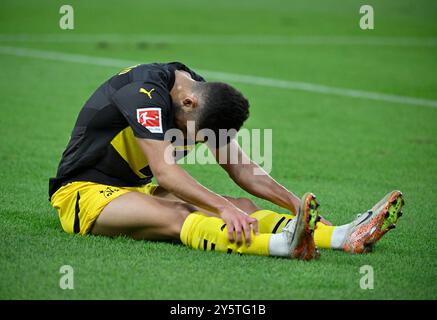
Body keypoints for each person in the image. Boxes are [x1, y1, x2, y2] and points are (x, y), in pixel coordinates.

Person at [49, 62, 404, 260]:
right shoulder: (143, 94)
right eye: (195, 134)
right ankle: (283, 246)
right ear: (187, 104)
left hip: (134, 189)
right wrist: (220, 208)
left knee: (244, 206)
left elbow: (243, 169)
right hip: (84, 193)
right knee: (182, 215)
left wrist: (297, 207)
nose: (195, 140)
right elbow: (165, 171)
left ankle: (342, 236)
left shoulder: (203, 99)